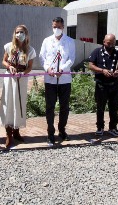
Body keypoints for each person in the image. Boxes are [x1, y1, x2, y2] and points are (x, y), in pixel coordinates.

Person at [39, 17, 75, 146]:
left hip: (65, 79)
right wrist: (47, 68)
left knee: (64, 107)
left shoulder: (70, 41)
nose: (56, 29)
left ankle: (62, 130)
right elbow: (42, 57)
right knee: (50, 107)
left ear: (63, 27)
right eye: (54, 27)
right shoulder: (46, 41)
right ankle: (50, 132)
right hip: (50, 79)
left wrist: (63, 69)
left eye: (59, 27)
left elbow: (71, 58)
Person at [0, 25, 36, 148]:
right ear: (14, 34)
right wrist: (8, 66)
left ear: (26, 34)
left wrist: (23, 73)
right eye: (17, 32)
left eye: (22, 32)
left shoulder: (30, 50)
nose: (19, 34)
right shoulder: (8, 46)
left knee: (19, 104)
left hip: (21, 79)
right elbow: (4, 61)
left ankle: (16, 131)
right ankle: (8, 133)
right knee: (9, 103)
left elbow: (30, 67)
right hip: (9, 78)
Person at [88, 34, 118, 137]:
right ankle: (100, 127)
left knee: (114, 107)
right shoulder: (97, 52)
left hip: (114, 84)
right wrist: (102, 70)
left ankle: (113, 127)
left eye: (113, 43)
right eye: (109, 43)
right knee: (100, 107)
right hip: (101, 85)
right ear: (104, 42)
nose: (111, 45)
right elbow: (90, 65)